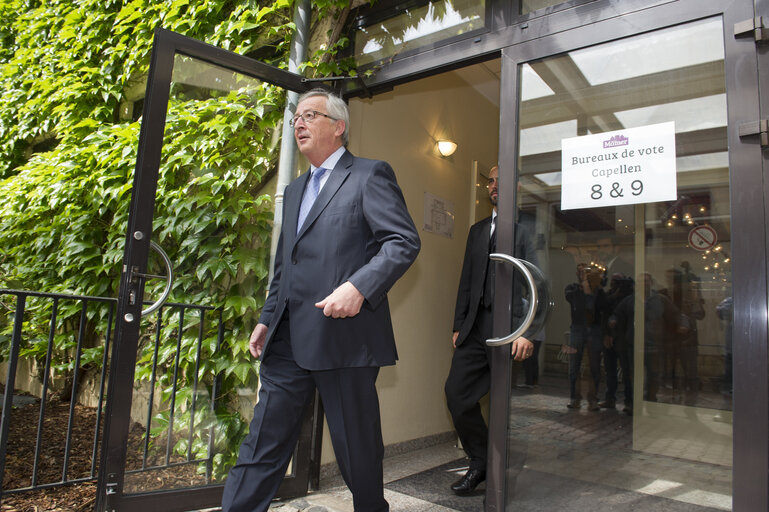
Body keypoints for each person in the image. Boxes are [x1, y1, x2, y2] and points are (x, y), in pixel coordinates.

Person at [221, 89, 421, 512]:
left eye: (311, 115)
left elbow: (403, 242)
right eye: (296, 116)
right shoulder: (294, 190)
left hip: (344, 339)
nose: (299, 123)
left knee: (358, 453)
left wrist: (360, 286)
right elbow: (284, 265)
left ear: (338, 127)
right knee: (263, 442)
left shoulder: (369, 175)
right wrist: (267, 317)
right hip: (288, 340)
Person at [444, 165, 535, 496]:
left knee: (502, 404)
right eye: (491, 182)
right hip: (475, 329)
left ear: (518, 187)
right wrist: (458, 325)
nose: (493, 186)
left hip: (510, 331)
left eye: (501, 181)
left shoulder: (527, 230)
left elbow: (538, 284)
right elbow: (466, 280)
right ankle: (481, 461)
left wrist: (530, 331)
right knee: (457, 394)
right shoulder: (477, 230)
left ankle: (498, 472)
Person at [564, 263, 609, 411]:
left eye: (586, 272)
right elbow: (575, 300)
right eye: (581, 271)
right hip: (577, 328)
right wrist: (584, 284)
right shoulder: (572, 288)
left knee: (595, 366)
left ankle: (592, 399)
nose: (583, 274)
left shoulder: (599, 291)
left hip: (595, 330)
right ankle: (574, 398)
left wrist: (592, 285)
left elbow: (598, 307)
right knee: (574, 366)